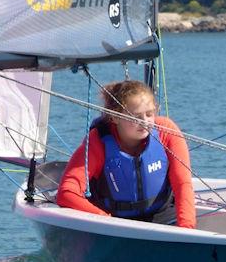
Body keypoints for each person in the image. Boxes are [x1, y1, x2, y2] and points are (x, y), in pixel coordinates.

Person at [57, 80, 196, 229]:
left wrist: (186, 228)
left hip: (163, 219)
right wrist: (105, 219)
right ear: (115, 117)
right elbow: (67, 192)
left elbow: (183, 184)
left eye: (149, 114)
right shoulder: (98, 142)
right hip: (115, 225)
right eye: (135, 117)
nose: (145, 122)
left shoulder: (166, 132)